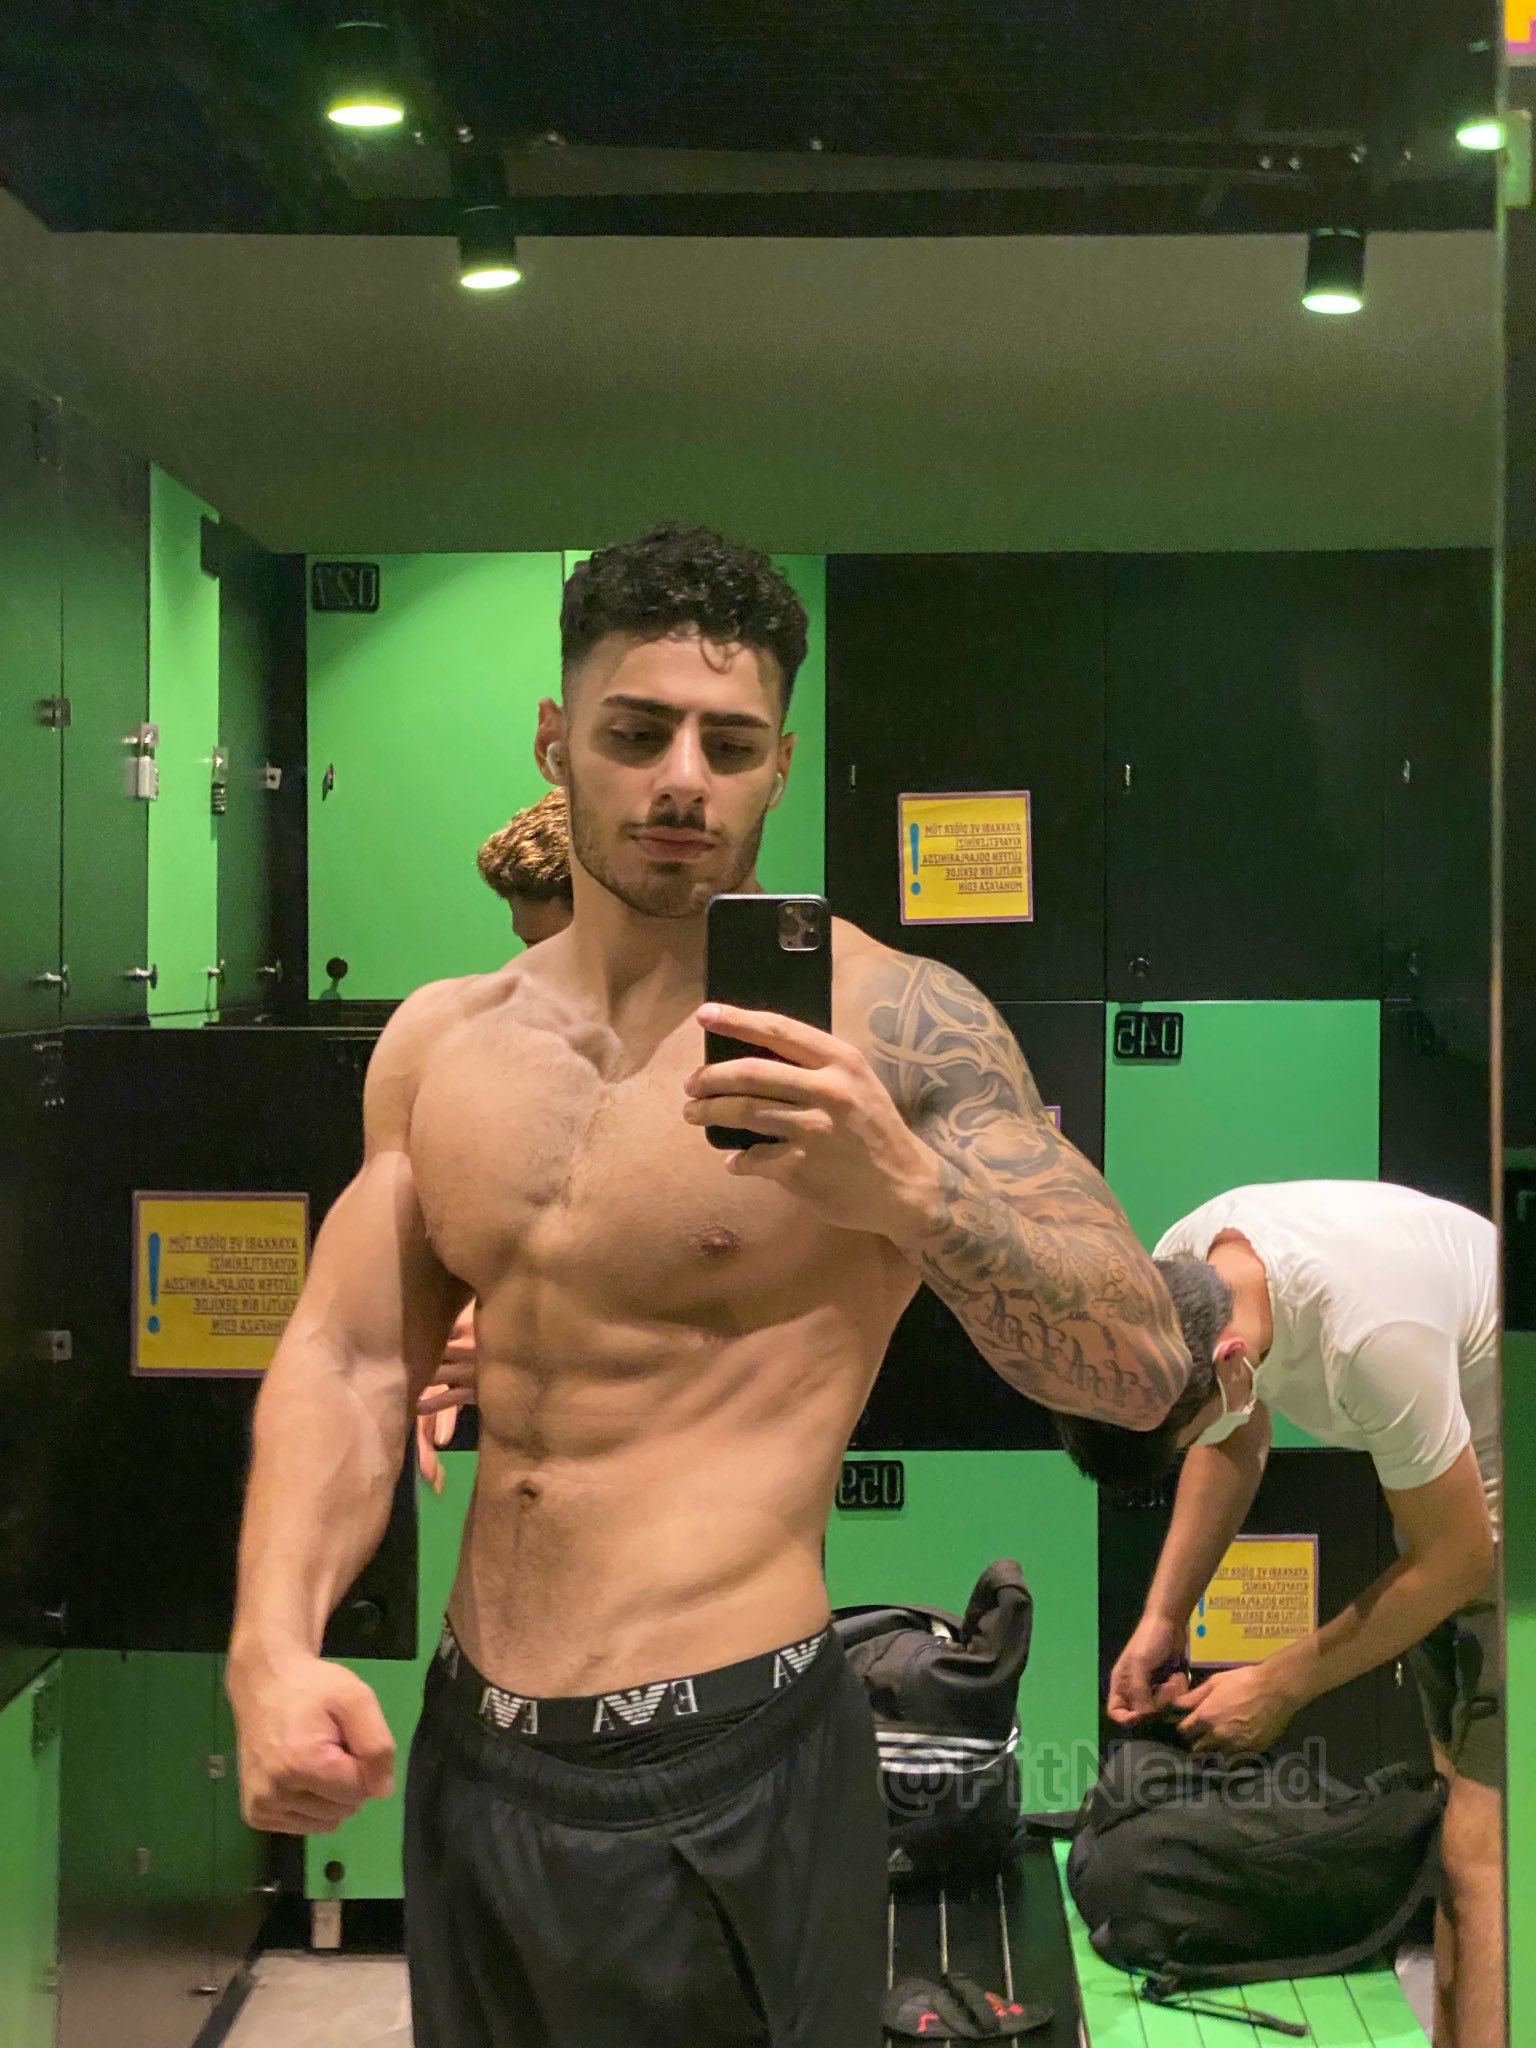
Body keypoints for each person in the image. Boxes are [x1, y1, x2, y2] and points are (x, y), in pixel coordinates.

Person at [226, 524, 1190, 2048]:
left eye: (728, 744)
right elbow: (347, 1362)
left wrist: (909, 1192)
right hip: (478, 1755)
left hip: (729, 1770)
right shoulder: (443, 1046)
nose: (682, 779)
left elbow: (1141, 1365)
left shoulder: (894, 1028)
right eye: (636, 733)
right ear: (557, 743)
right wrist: (272, 1642)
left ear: (780, 766)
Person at [1059, 1179, 1500, 2048]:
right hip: (1456, 1495)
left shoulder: (1370, 1335)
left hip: (1498, 1513)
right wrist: (1162, 1620)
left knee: (1481, 1855)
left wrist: (1280, 1684)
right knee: (1451, 1826)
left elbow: (1457, 1560)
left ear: (1227, 1360)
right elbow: (1233, 1436)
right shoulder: (1186, 1269)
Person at [414, 795, 576, 1491]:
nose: (524, 975)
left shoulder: (736, 1064)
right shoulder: (520, 1048)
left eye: (547, 950)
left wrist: (534, 1357)